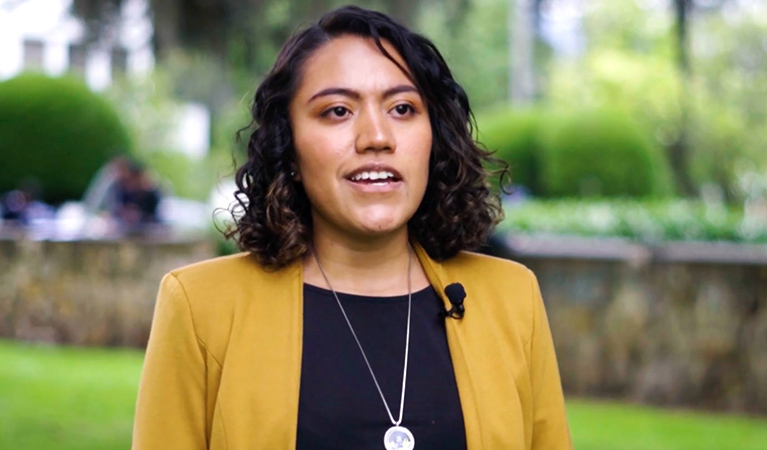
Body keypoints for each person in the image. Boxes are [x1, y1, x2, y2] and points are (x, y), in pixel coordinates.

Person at [132, 6, 572, 450]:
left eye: (402, 108)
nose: (376, 136)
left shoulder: (513, 300)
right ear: (290, 149)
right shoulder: (200, 309)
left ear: (433, 137)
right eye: (338, 111)